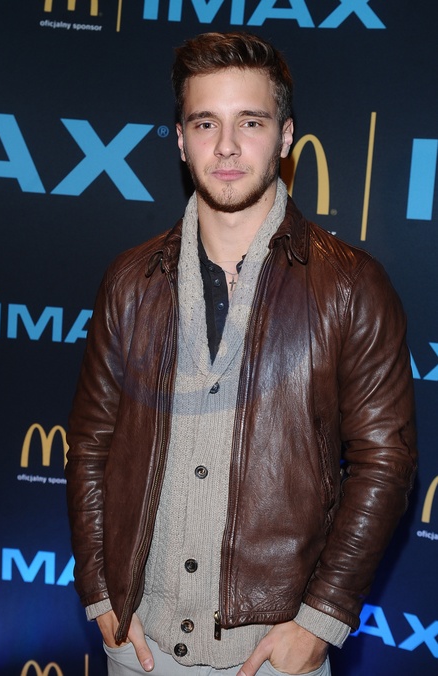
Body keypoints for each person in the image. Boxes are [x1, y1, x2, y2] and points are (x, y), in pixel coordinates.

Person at [66, 31, 417, 676]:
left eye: (250, 122)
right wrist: (99, 593)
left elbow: (385, 463)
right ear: (180, 140)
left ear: (285, 137)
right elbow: (90, 445)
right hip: (139, 649)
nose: (226, 146)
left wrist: (321, 621)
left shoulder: (351, 287)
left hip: (274, 656)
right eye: (206, 123)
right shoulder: (130, 282)